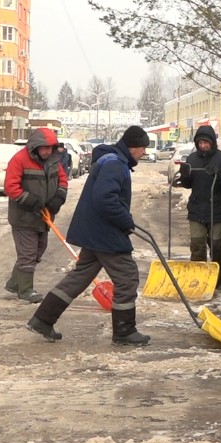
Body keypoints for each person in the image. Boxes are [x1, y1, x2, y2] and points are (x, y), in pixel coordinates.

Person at [27, 126, 151, 345]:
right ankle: (124, 331)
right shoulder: (115, 164)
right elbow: (105, 199)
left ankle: (43, 318)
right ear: (134, 147)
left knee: (80, 276)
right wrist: (126, 221)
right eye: (143, 148)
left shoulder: (111, 160)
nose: (144, 153)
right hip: (105, 233)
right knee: (127, 278)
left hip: (94, 231)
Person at [3, 128, 69, 303]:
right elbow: (11, 187)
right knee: (28, 254)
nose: (47, 151)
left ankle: (14, 282)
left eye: (50, 147)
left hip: (44, 216)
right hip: (24, 217)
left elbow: (63, 180)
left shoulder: (54, 161)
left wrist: (59, 197)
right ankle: (25, 290)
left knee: (39, 251)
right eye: (44, 148)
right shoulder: (19, 160)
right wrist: (30, 201)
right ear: (35, 147)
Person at [175, 125, 221, 292]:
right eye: (200, 142)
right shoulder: (192, 159)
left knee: (216, 247)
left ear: (212, 143)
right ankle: (197, 280)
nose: (203, 146)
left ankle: (216, 282)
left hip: (217, 211)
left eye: (206, 142)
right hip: (196, 210)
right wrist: (185, 176)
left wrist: (218, 174)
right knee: (197, 245)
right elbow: (187, 184)